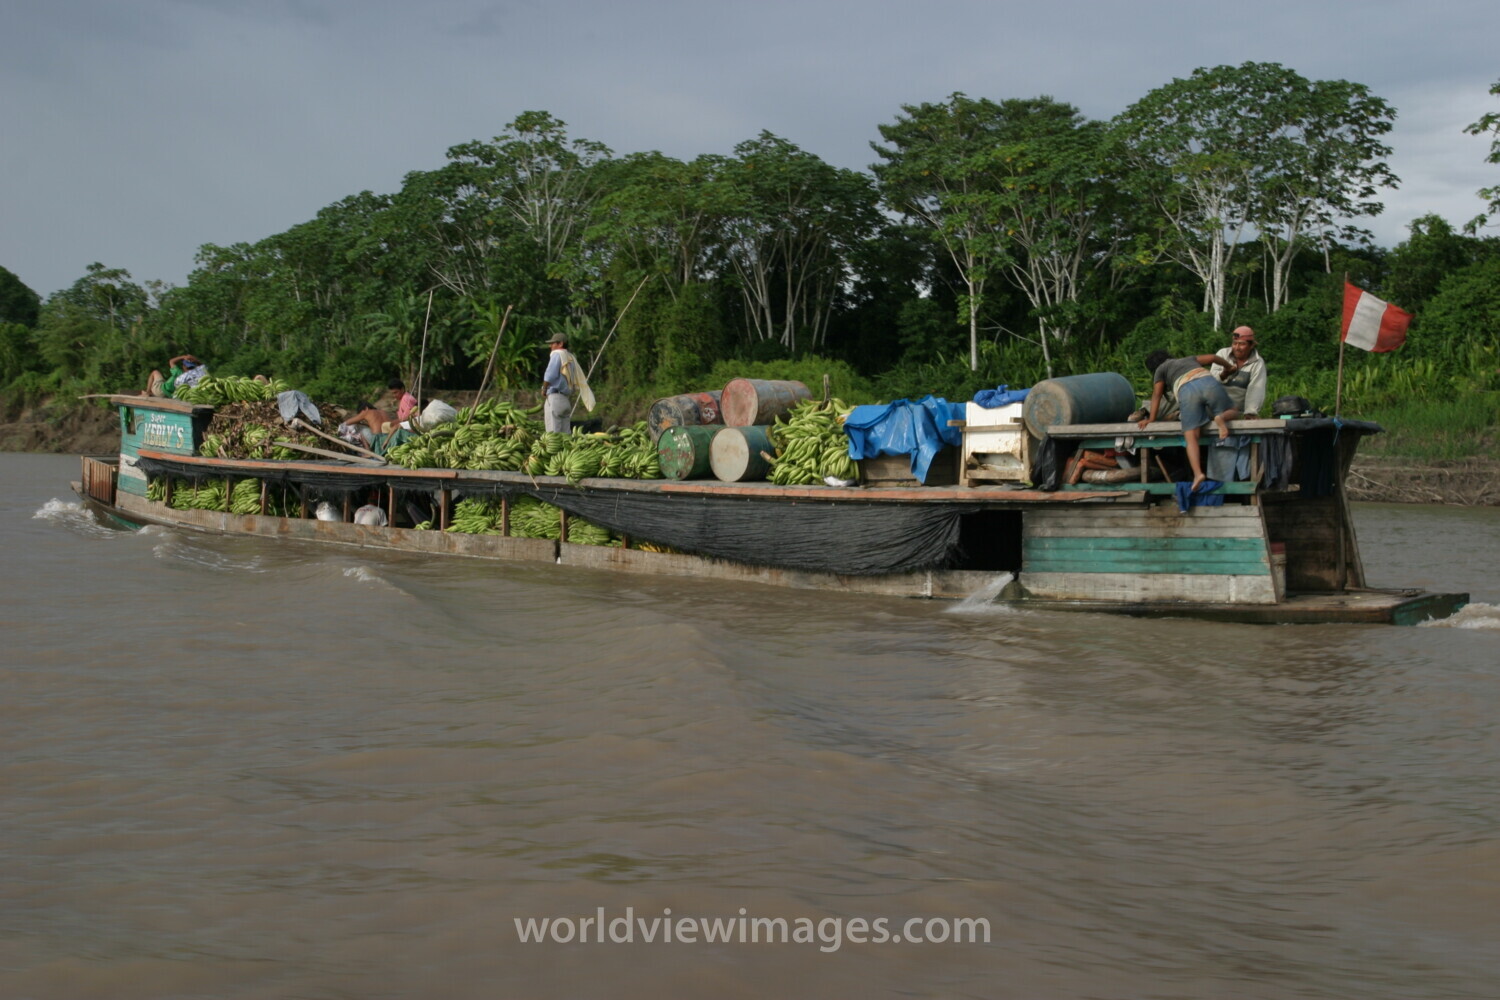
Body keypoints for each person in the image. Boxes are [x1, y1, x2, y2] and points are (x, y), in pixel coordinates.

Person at [1139, 350, 1244, 493]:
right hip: (1208, 382)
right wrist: (1229, 367)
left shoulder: (1160, 370)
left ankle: (1198, 474)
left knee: (1191, 436)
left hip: (1186, 391)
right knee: (1234, 411)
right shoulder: (1188, 359)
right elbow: (1213, 357)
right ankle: (1221, 417)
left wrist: (1151, 419)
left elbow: (1157, 395)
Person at [1209, 326, 1268, 416]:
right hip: (1214, 407)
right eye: (1234, 343)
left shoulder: (1257, 363)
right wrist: (1224, 374)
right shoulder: (1222, 354)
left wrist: (1250, 412)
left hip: (1236, 411)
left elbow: (1256, 389)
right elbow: (1210, 381)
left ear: (1251, 345)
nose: (1237, 347)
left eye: (1242, 344)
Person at [541, 334, 575, 434]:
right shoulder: (570, 357)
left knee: (553, 434)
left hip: (555, 398)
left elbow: (550, 374)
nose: (550, 346)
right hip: (565, 399)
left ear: (560, 344)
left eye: (553, 343)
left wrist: (544, 388)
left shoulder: (557, 354)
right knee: (565, 434)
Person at [144, 355, 208, 398]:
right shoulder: (197, 375)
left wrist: (183, 357)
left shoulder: (179, 374)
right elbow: (203, 367)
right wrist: (196, 360)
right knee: (165, 380)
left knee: (155, 372)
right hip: (170, 395)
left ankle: (148, 392)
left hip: (161, 391)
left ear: (184, 366)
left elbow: (171, 361)